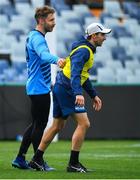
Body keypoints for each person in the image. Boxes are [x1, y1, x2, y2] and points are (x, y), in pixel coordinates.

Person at [29, 22, 111, 172]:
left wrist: (93, 95)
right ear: (93, 36)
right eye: (102, 35)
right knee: (84, 124)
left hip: (61, 86)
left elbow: (82, 76)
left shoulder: (86, 49)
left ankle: (36, 159)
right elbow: (75, 73)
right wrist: (78, 93)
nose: (105, 38)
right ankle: (73, 163)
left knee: (57, 126)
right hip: (66, 88)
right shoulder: (85, 51)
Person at [12, 5, 65, 171]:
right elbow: (43, 55)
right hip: (38, 88)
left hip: (36, 86)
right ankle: (37, 160)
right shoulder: (37, 38)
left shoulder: (33, 36)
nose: (54, 23)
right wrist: (57, 60)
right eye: (51, 20)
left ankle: (20, 158)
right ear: (41, 20)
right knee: (40, 124)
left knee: (36, 123)